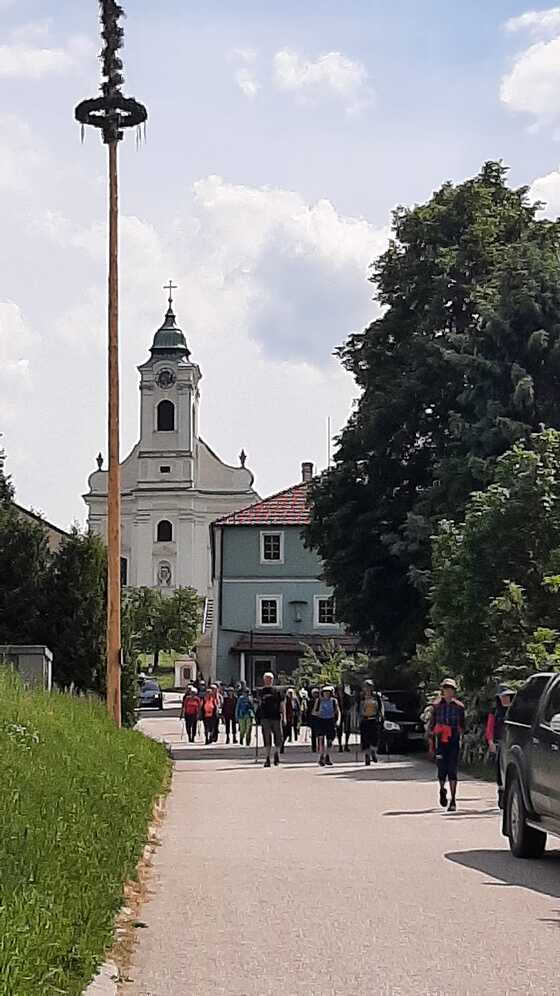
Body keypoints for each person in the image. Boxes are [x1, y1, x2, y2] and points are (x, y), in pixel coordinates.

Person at [428, 677, 465, 812]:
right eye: (446, 689)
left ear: (454, 691)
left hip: (453, 739)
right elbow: (431, 725)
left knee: (452, 769)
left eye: (450, 689)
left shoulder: (459, 707)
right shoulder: (437, 706)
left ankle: (453, 800)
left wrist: (460, 736)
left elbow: (463, 725)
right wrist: (431, 741)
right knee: (442, 768)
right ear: (442, 691)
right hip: (440, 739)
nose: (448, 692)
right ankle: (442, 789)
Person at [485, 686, 515, 808]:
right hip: (500, 744)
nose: (505, 699)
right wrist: (490, 742)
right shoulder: (495, 712)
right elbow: (490, 728)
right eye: (503, 697)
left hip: (512, 745)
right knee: (500, 769)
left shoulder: (514, 711)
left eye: (507, 696)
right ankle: (501, 795)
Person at [257, 672, 285, 767]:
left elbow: (282, 705)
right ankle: (267, 758)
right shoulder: (261, 691)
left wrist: (284, 717)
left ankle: (277, 753)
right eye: (266, 679)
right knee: (266, 737)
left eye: (270, 679)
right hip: (265, 717)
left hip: (276, 717)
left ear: (273, 680)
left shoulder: (277, 691)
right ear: (264, 680)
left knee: (278, 737)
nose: (268, 680)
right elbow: (258, 704)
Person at [313, 685, 340, 767]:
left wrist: (338, 721)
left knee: (330, 740)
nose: (327, 694)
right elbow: (313, 712)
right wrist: (318, 713)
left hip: (330, 721)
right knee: (321, 739)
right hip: (321, 721)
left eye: (328, 693)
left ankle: (327, 756)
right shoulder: (319, 701)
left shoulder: (334, 701)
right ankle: (321, 756)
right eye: (325, 693)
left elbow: (338, 711)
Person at [359, 680, 384, 766]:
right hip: (365, 720)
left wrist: (381, 716)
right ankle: (367, 756)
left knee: (375, 739)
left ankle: (373, 751)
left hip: (374, 719)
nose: (367, 688)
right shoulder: (361, 697)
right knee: (365, 739)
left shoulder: (376, 696)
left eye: (369, 686)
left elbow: (381, 707)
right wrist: (360, 717)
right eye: (365, 687)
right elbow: (358, 708)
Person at [336, 683, 353, 753]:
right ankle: (340, 745)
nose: (340, 690)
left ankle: (346, 744)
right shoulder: (335, 697)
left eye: (341, 688)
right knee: (339, 729)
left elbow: (350, 705)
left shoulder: (347, 696)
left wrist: (346, 711)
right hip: (338, 714)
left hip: (346, 714)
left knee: (347, 729)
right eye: (339, 689)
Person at [308, 687, 320, 752]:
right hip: (313, 718)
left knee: (320, 733)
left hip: (319, 718)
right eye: (314, 693)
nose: (315, 694)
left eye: (317, 693)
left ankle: (319, 746)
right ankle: (314, 747)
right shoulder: (310, 701)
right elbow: (309, 711)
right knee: (313, 733)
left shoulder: (320, 701)